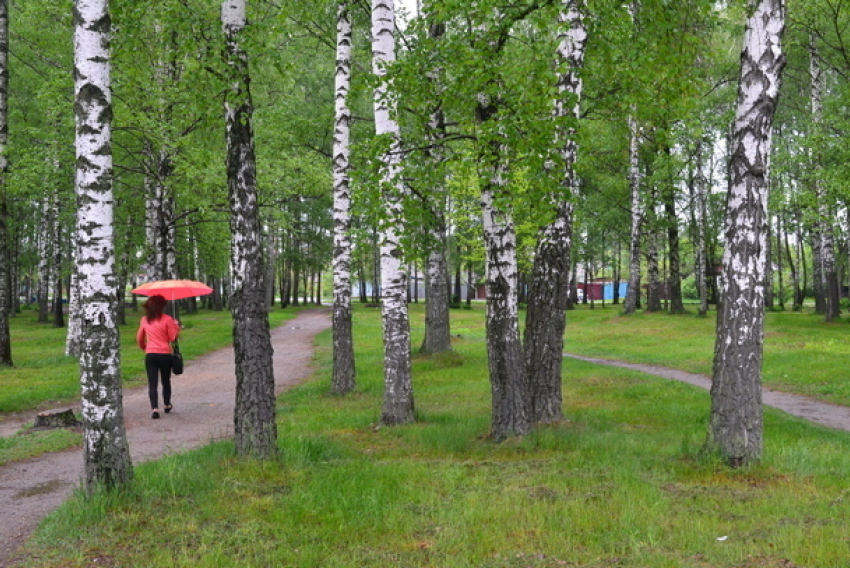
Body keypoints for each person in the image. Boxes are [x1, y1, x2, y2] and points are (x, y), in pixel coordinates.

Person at [135, 295, 180, 419]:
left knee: (152, 382)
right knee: (166, 381)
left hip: (151, 354)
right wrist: (176, 326)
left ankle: (155, 409)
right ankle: (166, 404)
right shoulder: (168, 319)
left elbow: (139, 338)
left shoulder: (145, 320)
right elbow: (172, 338)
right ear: (162, 306)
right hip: (165, 354)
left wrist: (145, 347)